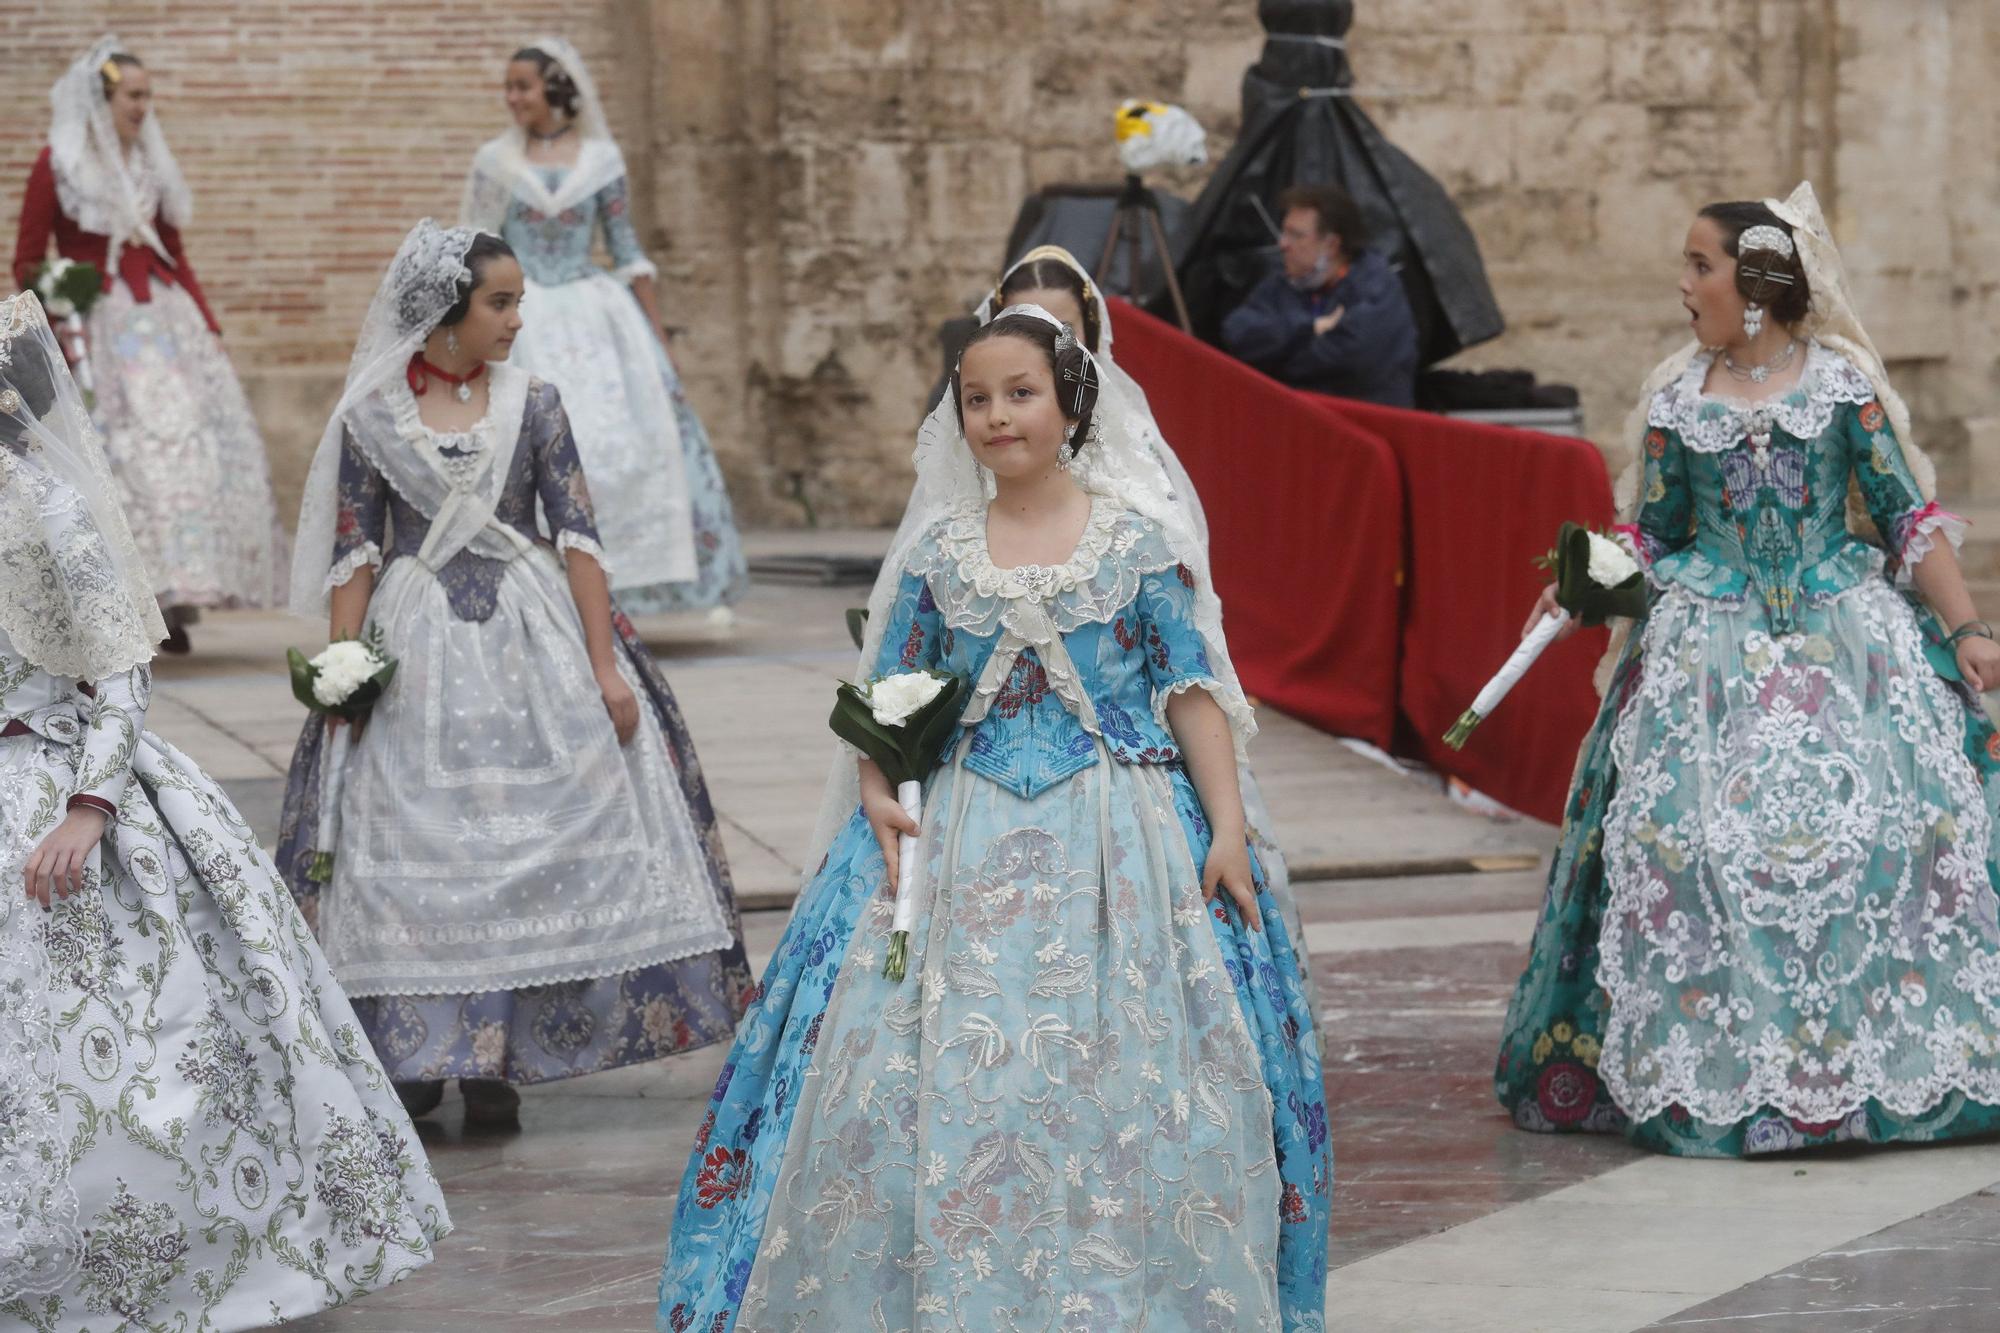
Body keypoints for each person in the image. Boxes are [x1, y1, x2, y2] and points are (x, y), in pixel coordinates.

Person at [657, 306, 1329, 1332]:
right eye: (975, 398)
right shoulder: (939, 550)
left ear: (1069, 404)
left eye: (1019, 394)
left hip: (1118, 832)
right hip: (961, 827)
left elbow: (1186, 688)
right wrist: (879, 789)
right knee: (909, 1070)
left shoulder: (1134, 541)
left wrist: (1226, 824)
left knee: (1122, 1072)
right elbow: (894, 690)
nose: (996, 416)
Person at [1495, 183, 2000, 1156]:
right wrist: (1580, 584)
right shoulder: (1677, 398)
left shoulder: (1838, 390)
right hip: (1706, 649)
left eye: (1699, 264)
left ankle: (1874, 1066)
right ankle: (1720, 1067)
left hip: (1842, 639)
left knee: (1895, 832)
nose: (1682, 284)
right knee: (1684, 836)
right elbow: (1648, 529)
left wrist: (1969, 627)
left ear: (1756, 283)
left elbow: (1901, 517)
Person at [0, 291, 449, 1329]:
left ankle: (143, 1258)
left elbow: (119, 669)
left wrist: (89, 804)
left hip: (56, 783)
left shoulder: (49, 506)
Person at [278, 221, 752, 1126]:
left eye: (519, 302)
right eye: (500, 303)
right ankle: (417, 1054)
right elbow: (354, 553)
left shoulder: (535, 402)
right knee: (420, 851)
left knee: (523, 843)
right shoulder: (371, 415)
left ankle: (497, 1057)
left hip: (533, 639)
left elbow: (578, 535)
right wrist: (344, 673)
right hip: (415, 646)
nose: (516, 319)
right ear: (446, 313)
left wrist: (607, 669)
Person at [11, 35, 285, 652]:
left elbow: (175, 253)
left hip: (165, 322)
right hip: (97, 329)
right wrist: (61, 313)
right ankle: (129, 599)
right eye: (133, 95)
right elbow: (28, 259)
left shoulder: (148, 166)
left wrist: (209, 328)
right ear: (100, 99)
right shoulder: (58, 162)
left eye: (148, 95)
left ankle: (177, 596)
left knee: (188, 448)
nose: (143, 106)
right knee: (118, 453)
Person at [461, 37, 747, 616]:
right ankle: (533, 584)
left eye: (523, 86)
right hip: (524, 314)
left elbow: (626, 249)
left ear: (555, 89)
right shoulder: (495, 162)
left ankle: (627, 584)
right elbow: (474, 248)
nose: (512, 97)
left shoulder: (601, 161)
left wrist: (658, 338)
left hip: (597, 316)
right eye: (508, 87)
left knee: (629, 445)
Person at [1220, 182, 1418, 408]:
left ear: (1331, 245)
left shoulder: (1377, 287)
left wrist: (1275, 359)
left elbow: (1353, 359)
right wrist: (1310, 328)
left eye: (1296, 235)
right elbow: (1237, 333)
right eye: (1285, 231)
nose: (1283, 243)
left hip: (1363, 426)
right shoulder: (1282, 283)